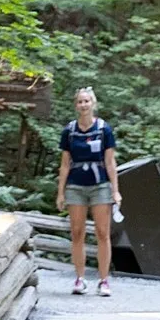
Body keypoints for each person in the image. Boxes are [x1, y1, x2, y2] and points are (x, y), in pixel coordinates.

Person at [56, 87, 120, 296]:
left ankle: (103, 281)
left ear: (92, 104)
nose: (83, 105)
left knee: (102, 232)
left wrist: (115, 191)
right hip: (76, 185)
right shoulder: (70, 131)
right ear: (76, 105)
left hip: (100, 184)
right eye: (80, 102)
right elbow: (65, 164)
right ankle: (80, 278)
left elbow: (110, 162)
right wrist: (61, 192)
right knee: (77, 233)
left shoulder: (103, 129)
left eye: (86, 101)